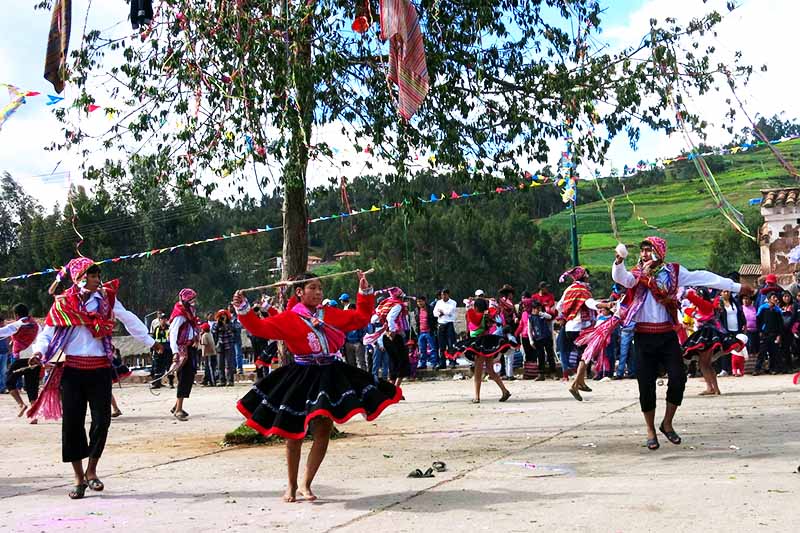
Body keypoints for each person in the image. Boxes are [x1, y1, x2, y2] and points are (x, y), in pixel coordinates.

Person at [232, 270, 401, 502]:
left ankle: (306, 483)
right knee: (294, 433)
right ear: (299, 291)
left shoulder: (329, 314)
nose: (318, 292)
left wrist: (364, 291)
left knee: (322, 431)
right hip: (301, 376)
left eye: (320, 288)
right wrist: (243, 308)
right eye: (313, 288)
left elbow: (361, 317)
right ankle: (291, 485)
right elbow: (259, 328)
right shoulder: (289, 318)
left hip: (329, 374)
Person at [29, 257, 160, 499]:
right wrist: (38, 352)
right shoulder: (64, 304)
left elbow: (128, 318)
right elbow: (48, 332)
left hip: (100, 370)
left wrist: (152, 342)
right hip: (72, 371)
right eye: (91, 275)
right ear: (79, 278)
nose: (97, 279)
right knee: (72, 426)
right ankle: (78, 478)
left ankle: (92, 471)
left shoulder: (107, 298)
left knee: (102, 421)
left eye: (98, 275)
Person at [612, 237, 749, 450]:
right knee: (645, 385)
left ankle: (667, 423)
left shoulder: (674, 272)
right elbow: (622, 279)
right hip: (644, 336)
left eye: (649, 250)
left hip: (667, 336)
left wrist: (736, 287)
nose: (645, 254)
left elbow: (703, 277)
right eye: (642, 250)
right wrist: (619, 261)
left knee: (678, 378)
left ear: (660, 251)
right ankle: (650, 430)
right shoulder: (637, 275)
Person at [447, 297, 512, 403]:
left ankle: (477, 397)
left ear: (476, 307)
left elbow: (472, 319)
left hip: (479, 345)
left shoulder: (477, 316)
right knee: (490, 370)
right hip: (488, 343)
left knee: (478, 372)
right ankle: (504, 391)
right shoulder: (486, 316)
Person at [556, 266, 607, 401]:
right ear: (582, 276)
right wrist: (605, 305)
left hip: (570, 327)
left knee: (582, 355)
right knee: (587, 355)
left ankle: (581, 382)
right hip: (581, 327)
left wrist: (568, 315)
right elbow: (590, 304)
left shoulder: (569, 289)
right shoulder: (582, 290)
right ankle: (575, 385)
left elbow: (559, 306)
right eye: (586, 274)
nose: (588, 277)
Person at [682, 289, 744, 396]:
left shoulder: (705, 305)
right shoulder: (705, 306)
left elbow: (694, 300)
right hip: (708, 334)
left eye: (698, 294)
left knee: (704, 364)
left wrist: (686, 293)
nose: (697, 296)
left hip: (707, 335)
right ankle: (712, 388)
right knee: (705, 363)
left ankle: (713, 388)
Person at [1, 304, 40, 418]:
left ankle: (21, 404)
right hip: (34, 358)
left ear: (16, 315)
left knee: (9, 382)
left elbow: (3, 332)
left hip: (21, 358)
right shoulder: (36, 324)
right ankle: (34, 416)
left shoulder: (18, 324)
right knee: (32, 386)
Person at [168, 288, 201, 420]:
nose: (194, 302)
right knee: (185, 378)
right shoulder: (180, 314)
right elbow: (173, 333)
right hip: (182, 349)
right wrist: (175, 352)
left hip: (190, 347)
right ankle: (179, 409)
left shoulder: (190, 313)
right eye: (191, 300)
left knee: (189, 375)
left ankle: (176, 406)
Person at [376, 287, 411, 388]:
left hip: (385, 336)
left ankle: (392, 388)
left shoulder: (385, 303)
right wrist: (393, 330)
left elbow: (375, 318)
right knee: (403, 361)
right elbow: (390, 318)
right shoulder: (398, 305)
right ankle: (396, 388)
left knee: (393, 361)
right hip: (395, 336)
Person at [717, 289, 746, 377]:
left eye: (728, 291)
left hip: (736, 329)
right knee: (725, 350)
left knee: (736, 350)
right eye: (724, 291)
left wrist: (744, 323)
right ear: (721, 293)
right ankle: (724, 369)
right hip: (725, 330)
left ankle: (736, 369)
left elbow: (741, 313)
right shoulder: (719, 304)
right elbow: (718, 318)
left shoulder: (735, 302)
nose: (726, 293)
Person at [532, 281, 558, 377]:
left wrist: (543, 310)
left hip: (547, 322)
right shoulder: (535, 296)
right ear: (541, 288)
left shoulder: (550, 296)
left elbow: (550, 309)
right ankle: (541, 373)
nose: (547, 289)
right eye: (545, 287)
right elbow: (534, 307)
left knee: (549, 351)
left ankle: (553, 372)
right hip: (537, 325)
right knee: (540, 353)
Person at [497, 284, 519, 380]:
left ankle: (506, 373)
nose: (512, 295)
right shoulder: (504, 303)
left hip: (505, 329)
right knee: (510, 352)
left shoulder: (503, 303)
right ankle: (509, 374)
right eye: (510, 293)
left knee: (506, 353)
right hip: (508, 329)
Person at [433, 288, 458, 369]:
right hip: (441, 324)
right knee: (441, 345)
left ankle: (452, 362)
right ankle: (442, 363)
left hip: (449, 324)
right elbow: (435, 313)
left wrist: (442, 312)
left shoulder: (453, 302)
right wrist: (440, 313)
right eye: (442, 295)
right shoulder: (438, 302)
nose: (443, 296)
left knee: (451, 344)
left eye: (445, 294)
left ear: (448, 294)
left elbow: (449, 311)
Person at [414, 295, 438, 369]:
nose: (419, 303)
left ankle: (434, 363)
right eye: (418, 302)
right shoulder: (416, 310)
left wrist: (433, 329)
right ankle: (422, 364)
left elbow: (434, 320)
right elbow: (417, 321)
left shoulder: (431, 309)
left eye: (420, 301)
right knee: (422, 349)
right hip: (421, 332)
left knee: (432, 348)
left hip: (429, 331)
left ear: (424, 301)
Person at [213, 309, 236, 387]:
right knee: (220, 364)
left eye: (224, 316)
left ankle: (230, 380)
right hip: (220, 346)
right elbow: (214, 332)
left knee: (229, 364)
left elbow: (233, 332)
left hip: (228, 345)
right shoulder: (216, 324)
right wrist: (218, 323)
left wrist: (225, 324)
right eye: (221, 316)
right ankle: (222, 380)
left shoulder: (230, 324)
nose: (223, 317)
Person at [150, 315, 173, 389]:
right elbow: (153, 340)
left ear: (166, 320)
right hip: (158, 351)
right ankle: (157, 383)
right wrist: (153, 350)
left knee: (169, 366)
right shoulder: (156, 329)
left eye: (164, 319)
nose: (163, 321)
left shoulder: (169, 328)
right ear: (159, 320)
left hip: (168, 350)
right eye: (161, 319)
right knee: (157, 367)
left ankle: (171, 382)